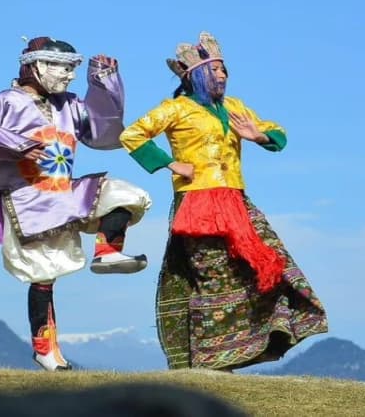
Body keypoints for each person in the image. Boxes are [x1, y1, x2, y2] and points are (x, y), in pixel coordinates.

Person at [0, 37, 152, 371]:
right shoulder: (1, 102)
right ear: (35, 66)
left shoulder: (69, 104)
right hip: (27, 199)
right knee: (44, 273)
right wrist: (17, 146)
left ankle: (107, 252)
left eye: (71, 70)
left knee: (122, 194)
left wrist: (104, 82)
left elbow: (102, 133)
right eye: (61, 68)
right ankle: (45, 348)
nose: (67, 76)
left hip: (65, 191)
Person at [120, 31, 327, 370]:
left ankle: (246, 346)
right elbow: (132, 134)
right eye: (214, 71)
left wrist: (257, 136)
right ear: (196, 76)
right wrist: (170, 163)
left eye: (224, 70)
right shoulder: (176, 109)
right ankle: (210, 360)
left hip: (236, 201)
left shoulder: (234, 108)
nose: (222, 76)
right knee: (213, 276)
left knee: (268, 266)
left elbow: (278, 132)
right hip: (198, 203)